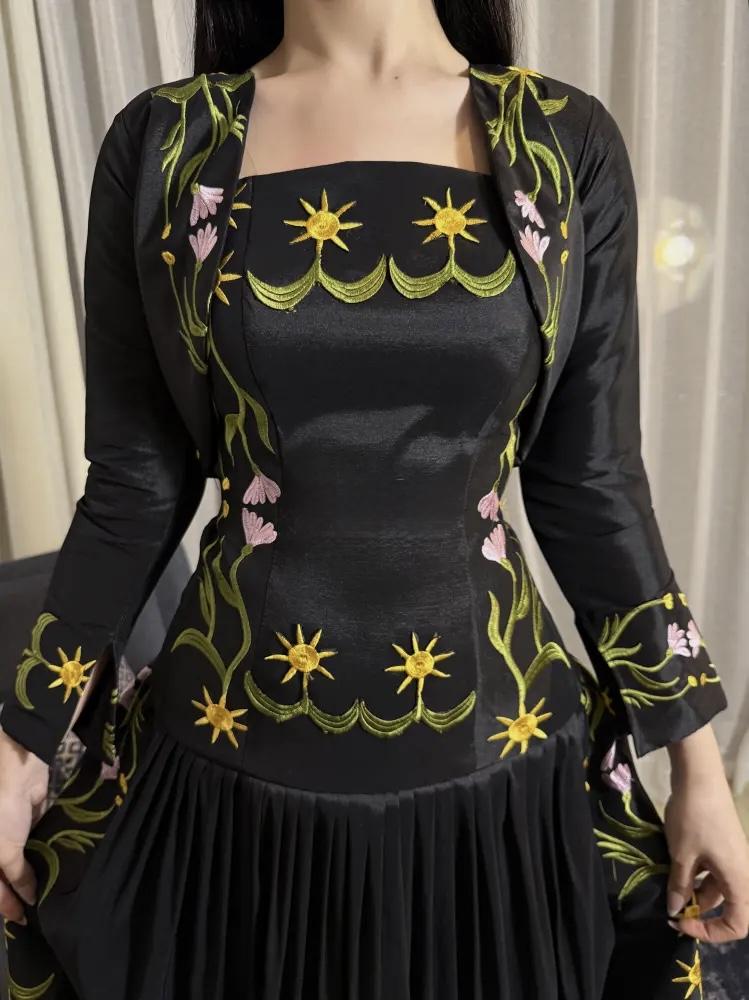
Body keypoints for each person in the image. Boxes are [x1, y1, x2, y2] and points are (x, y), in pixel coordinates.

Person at [1, 1, 748, 997]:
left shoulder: (560, 143)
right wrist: (22, 743)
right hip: (229, 786)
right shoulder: (167, 143)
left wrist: (696, 763)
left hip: (501, 781)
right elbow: (134, 485)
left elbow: (589, 481)